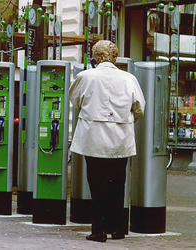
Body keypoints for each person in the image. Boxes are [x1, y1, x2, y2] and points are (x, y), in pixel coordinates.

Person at [69, 40, 145, 242]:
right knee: (118, 183)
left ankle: (98, 230)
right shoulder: (128, 78)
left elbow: (76, 102)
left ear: (95, 57)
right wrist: (123, 121)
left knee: (96, 185)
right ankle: (117, 229)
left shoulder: (85, 77)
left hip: (93, 139)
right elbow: (139, 108)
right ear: (115, 57)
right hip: (120, 138)